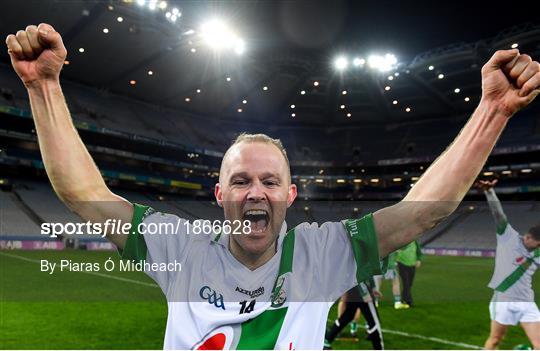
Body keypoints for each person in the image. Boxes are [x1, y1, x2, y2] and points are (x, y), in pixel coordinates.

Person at [5, 23, 540, 349]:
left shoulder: (325, 252)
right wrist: (43, 86)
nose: (255, 191)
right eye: (239, 180)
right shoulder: (179, 248)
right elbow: (82, 193)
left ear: (290, 196)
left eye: (269, 181)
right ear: (220, 196)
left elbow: (423, 211)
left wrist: (492, 110)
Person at [476, 180, 540, 350]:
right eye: (538, 243)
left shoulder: (538, 252)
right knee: (495, 340)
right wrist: (489, 192)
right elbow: (498, 214)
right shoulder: (508, 237)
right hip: (503, 300)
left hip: (526, 301)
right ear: (529, 237)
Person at [324, 280, 384, 350]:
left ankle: (327, 341)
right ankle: (378, 348)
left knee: (348, 315)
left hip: (353, 286)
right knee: (373, 321)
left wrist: (373, 287)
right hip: (360, 287)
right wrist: (365, 292)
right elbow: (358, 272)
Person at [396, 240, 422, 307]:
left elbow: (419, 252)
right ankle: (409, 301)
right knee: (406, 283)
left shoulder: (415, 241)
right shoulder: (401, 241)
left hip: (412, 264)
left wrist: (419, 260)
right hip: (402, 264)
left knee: (409, 284)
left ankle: (404, 298)